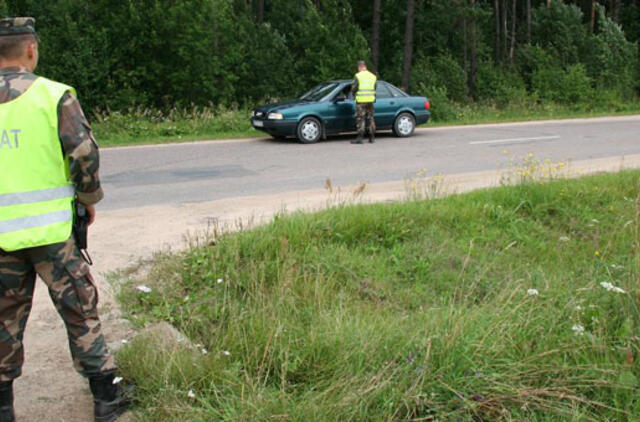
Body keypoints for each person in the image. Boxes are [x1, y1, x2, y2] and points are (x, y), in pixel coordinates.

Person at [0, 17, 131, 422]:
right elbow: (83, 153)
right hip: (52, 236)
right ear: (31, 50)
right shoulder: (53, 96)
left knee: (3, 321)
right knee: (79, 308)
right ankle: (106, 399)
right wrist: (87, 198)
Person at [351, 60, 377, 144]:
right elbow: (375, 88)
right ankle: (372, 137)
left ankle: (360, 138)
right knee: (370, 118)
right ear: (365, 67)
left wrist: (353, 92)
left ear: (359, 67)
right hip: (370, 100)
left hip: (361, 101)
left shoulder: (358, 76)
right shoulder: (373, 76)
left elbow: (354, 88)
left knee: (360, 118)